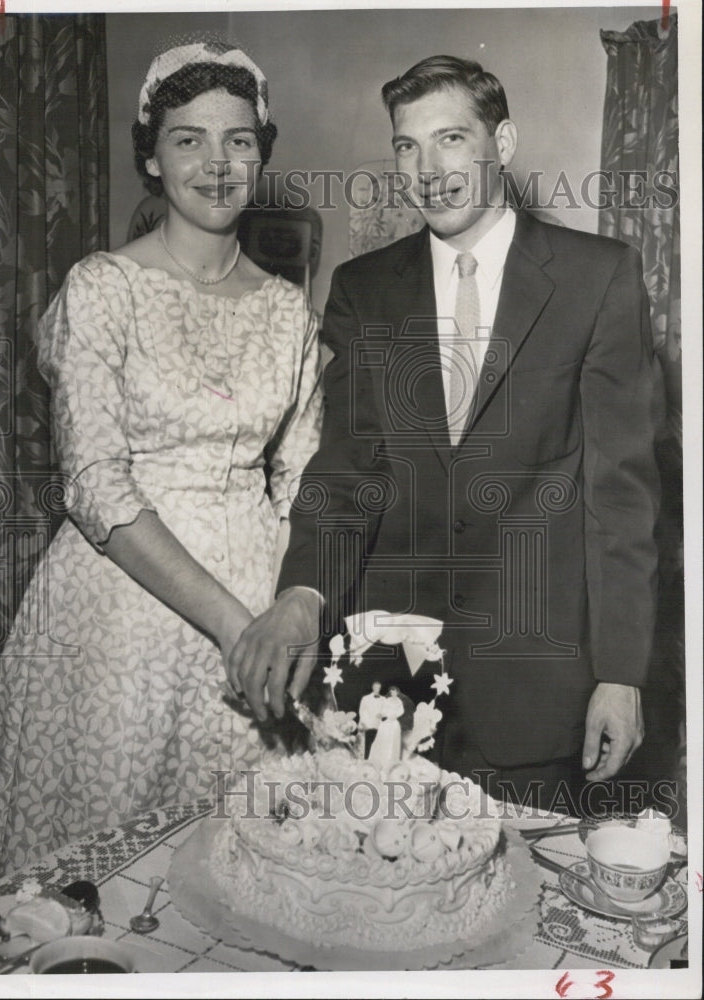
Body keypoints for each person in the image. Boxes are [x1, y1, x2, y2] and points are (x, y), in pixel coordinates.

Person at [230, 55, 659, 815]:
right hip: (387, 684)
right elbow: (347, 472)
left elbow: (618, 500)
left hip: (538, 685)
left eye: (452, 139)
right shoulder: (363, 290)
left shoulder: (600, 279)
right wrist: (301, 594)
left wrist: (620, 673)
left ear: (504, 141)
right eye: (407, 145)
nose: (429, 169)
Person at [0, 36, 322, 903]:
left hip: (262, 597)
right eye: (188, 139)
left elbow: (303, 478)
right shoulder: (102, 288)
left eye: (238, 140)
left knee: (249, 881)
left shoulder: (287, 308)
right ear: (151, 158)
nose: (217, 163)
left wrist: (286, 613)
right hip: (122, 607)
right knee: (97, 885)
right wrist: (235, 626)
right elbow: (95, 486)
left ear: (262, 156)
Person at [358, 680, 385, 756]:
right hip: (368, 725)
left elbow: (386, 710)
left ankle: (376, 760)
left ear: (380, 688)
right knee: (368, 745)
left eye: (379, 688)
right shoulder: (365, 698)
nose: (377, 689)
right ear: (373, 688)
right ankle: (367, 760)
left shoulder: (383, 699)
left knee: (378, 744)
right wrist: (363, 723)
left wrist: (382, 714)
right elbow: (361, 711)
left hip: (378, 725)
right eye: (376, 687)